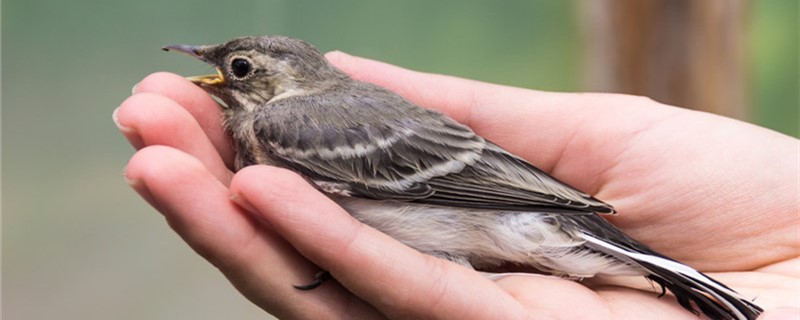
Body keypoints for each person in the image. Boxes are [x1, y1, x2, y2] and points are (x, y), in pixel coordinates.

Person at [114, 51, 799, 319]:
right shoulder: (300, 119)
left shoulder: (284, 125)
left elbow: (446, 182)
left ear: (279, 82)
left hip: (501, 210)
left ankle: (688, 279)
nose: (221, 77)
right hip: (497, 210)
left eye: (239, 68)